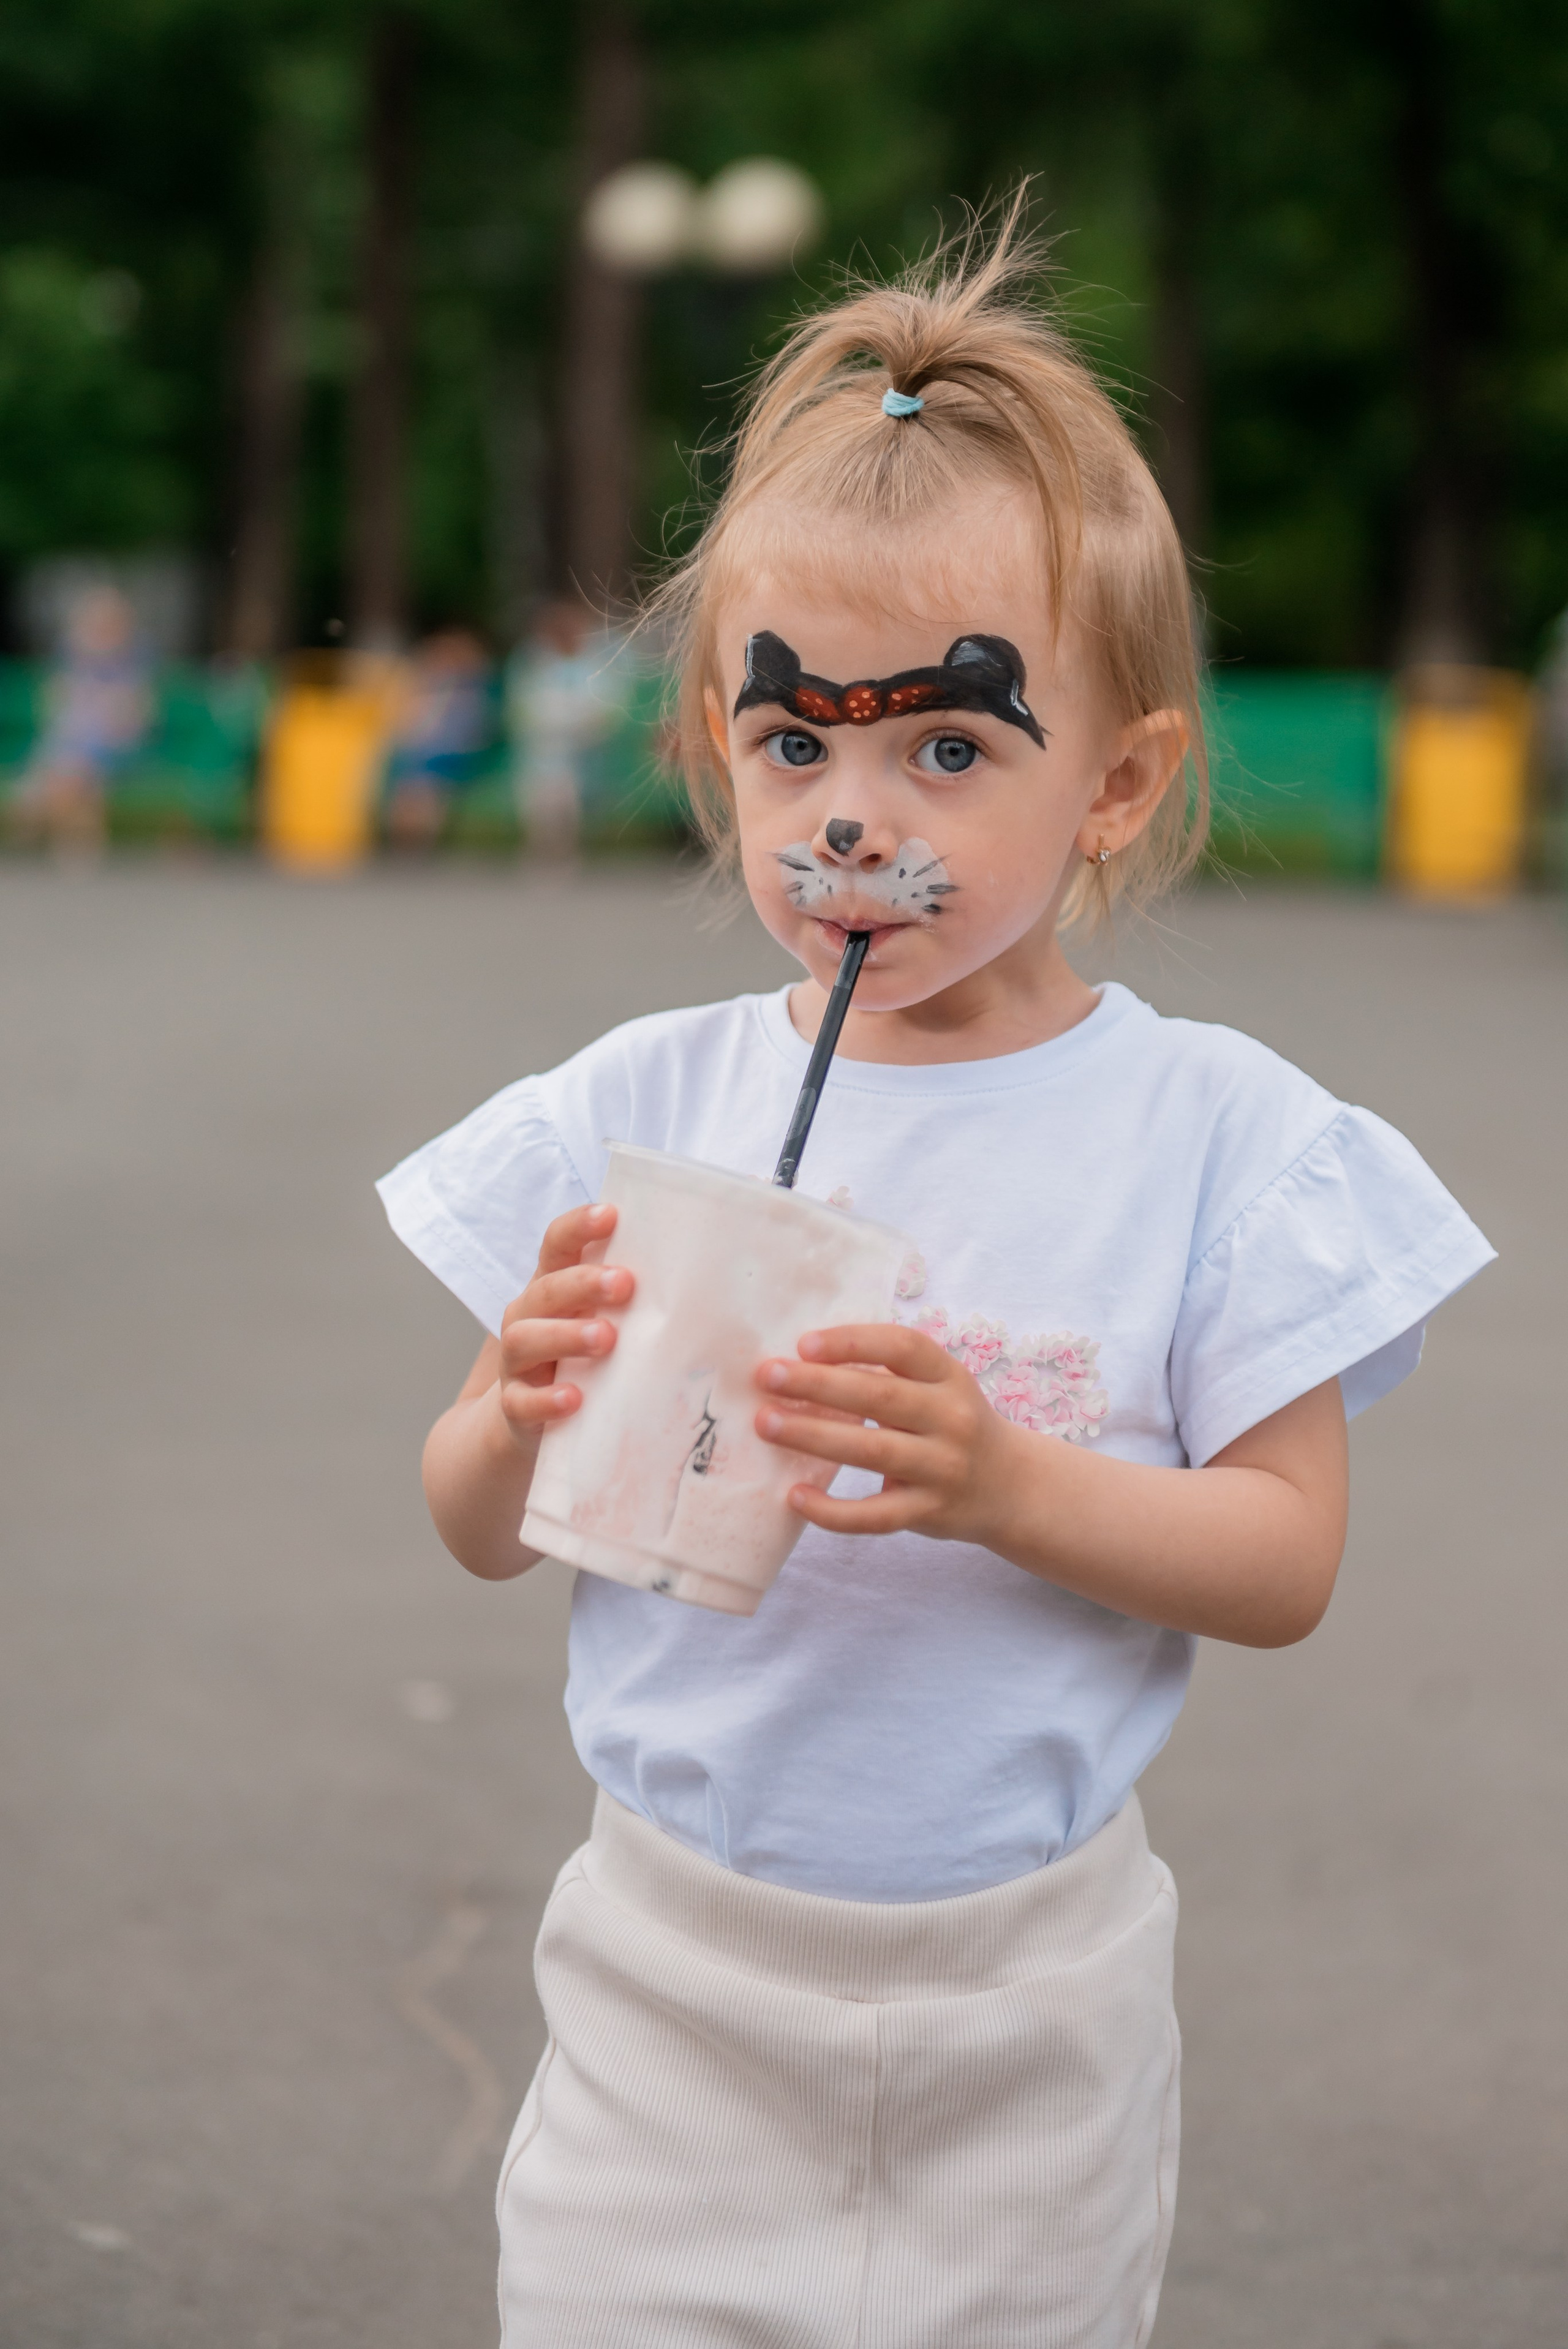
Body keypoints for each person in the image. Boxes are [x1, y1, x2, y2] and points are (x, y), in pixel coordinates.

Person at [377, 213, 1493, 2348]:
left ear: (1119, 785)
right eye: (796, 748)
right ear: (720, 746)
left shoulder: (1214, 1139)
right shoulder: (644, 1099)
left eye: (949, 753)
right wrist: (508, 1414)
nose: (851, 826)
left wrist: (1005, 1478)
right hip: (663, 1973)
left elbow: (1280, 1560)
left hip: (1031, 2003)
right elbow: (474, 1535)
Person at [6, 583, 151, 853]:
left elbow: (133, 720)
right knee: (65, 764)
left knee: (72, 768)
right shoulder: (71, 661)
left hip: (112, 746)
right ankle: (69, 839)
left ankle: (54, 831)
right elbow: (54, 709)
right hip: (70, 742)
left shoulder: (132, 664)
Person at [506, 598, 634, 858]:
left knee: (565, 788)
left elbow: (605, 715)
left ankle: (564, 847)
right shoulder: (537, 664)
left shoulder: (595, 666)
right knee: (541, 785)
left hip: (585, 752)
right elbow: (524, 709)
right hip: (543, 749)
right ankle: (541, 845)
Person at [380, 628, 493, 851]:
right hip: (421, 753)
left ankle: (416, 843)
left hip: (448, 756)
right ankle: (407, 841)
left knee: (423, 787)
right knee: (412, 783)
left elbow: (470, 735)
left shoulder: (468, 692)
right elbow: (405, 724)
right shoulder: (427, 686)